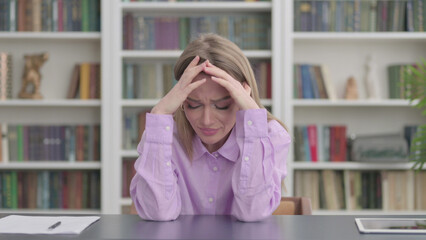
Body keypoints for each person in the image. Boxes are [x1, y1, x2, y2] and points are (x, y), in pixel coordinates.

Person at [130, 33, 291, 222]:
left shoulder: (271, 135)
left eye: (222, 106)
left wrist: (252, 119)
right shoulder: (163, 135)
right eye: (193, 105)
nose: (206, 121)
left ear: (242, 97)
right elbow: (158, 213)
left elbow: (252, 212)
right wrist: (160, 113)